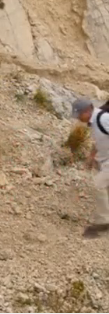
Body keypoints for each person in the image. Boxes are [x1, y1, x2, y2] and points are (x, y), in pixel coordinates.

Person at [71, 97, 109, 238]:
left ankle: (104, 222)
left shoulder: (103, 119)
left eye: (79, 114)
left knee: (98, 185)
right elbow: (101, 140)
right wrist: (92, 156)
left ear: (87, 111)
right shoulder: (94, 123)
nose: (78, 118)